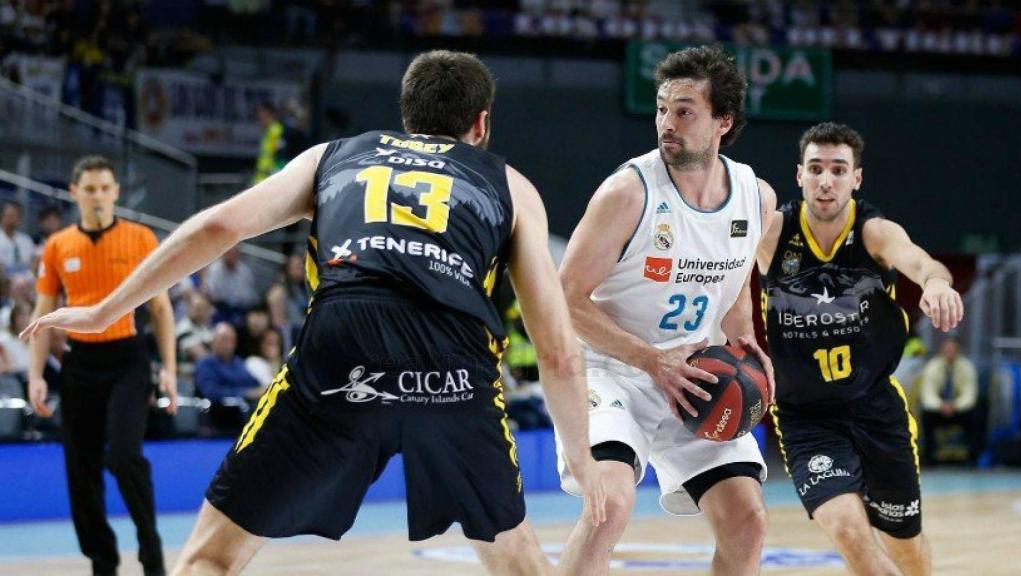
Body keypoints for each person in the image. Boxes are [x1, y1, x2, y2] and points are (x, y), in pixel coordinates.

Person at [24, 50, 609, 576]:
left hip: (341, 352)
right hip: (453, 371)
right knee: (521, 565)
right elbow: (556, 350)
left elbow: (221, 226)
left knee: (209, 559)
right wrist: (580, 458)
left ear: (405, 116)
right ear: (481, 125)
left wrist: (105, 309)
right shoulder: (509, 185)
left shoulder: (335, 155)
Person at [557, 45, 776, 575]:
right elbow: (563, 299)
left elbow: (736, 285)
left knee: (747, 519)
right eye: (662, 109)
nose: (666, 123)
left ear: (723, 121)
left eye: (684, 111)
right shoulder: (627, 192)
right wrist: (652, 360)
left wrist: (746, 341)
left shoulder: (757, 198)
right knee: (609, 508)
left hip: (696, 376)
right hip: (612, 372)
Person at [758, 122, 963, 576]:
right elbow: (722, 267)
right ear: (799, 176)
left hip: (875, 409)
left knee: (904, 541)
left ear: (856, 178)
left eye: (837, 168)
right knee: (848, 531)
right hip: (805, 416)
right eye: (815, 168)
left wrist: (935, 283)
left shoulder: (875, 233)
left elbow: (922, 262)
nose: (825, 180)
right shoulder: (771, 233)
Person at [27, 155, 178, 576]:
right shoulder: (57, 246)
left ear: (116, 192)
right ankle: (102, 561)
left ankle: (151, 547)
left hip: (127, 359)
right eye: (89, 189)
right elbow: (43, 314)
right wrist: (36, 375)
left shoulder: (141, 239)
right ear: (74, 193)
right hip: (79, 365)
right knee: (80, 469)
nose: (97, 196)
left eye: (104, 188)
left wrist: (168, 368)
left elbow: (161, 310)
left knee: (125, 455)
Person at [919, 336, 977, 464]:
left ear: (958, 351)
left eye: (953, 349)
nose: (950, 352)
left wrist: (954, 406)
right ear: (941, 350)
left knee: (975, 416)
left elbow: (969, 395)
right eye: (947, 349)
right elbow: (927, 394)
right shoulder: (932, 367)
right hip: (937, 410)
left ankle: (973, 458)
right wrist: (941, 406)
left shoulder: (967, 367)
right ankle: (929, 458)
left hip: (959, 410)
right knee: (926, 416)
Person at [0, 200, 36, 277]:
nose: (12, 219)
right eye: (9, 215)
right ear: (2, 217)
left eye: (16, 216)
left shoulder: (26, 240)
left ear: (20, 220)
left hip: (26, 282)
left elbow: (33, 265)